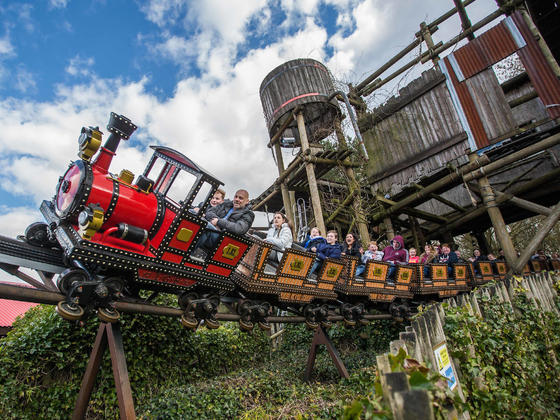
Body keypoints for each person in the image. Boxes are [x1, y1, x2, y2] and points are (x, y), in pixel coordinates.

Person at [195, 189, 255, 254]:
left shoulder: (248, 214)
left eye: (240, 198)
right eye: (236, 197)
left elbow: (239, 228)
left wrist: (219, 222)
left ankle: (189, 252)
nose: (237, 199)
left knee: (205, 225)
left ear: (247, 201)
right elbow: (210, 212)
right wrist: (217, 223)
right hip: (214, 230)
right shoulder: (226, 204)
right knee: (194, 214)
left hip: (225, 240)